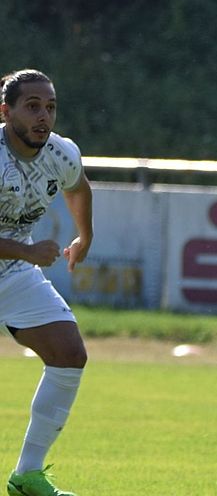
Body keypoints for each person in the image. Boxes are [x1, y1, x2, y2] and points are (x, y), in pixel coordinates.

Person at [0, 70, 93, 496]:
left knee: (69, 353)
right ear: (6, 112)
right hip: (21, 260)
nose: (43, 116)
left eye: (50, 107)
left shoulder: (61, 152)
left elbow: (78, 186)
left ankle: (27, 476)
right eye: (32, 106)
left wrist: (84, 235)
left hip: (14, 273)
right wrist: (28, 252)